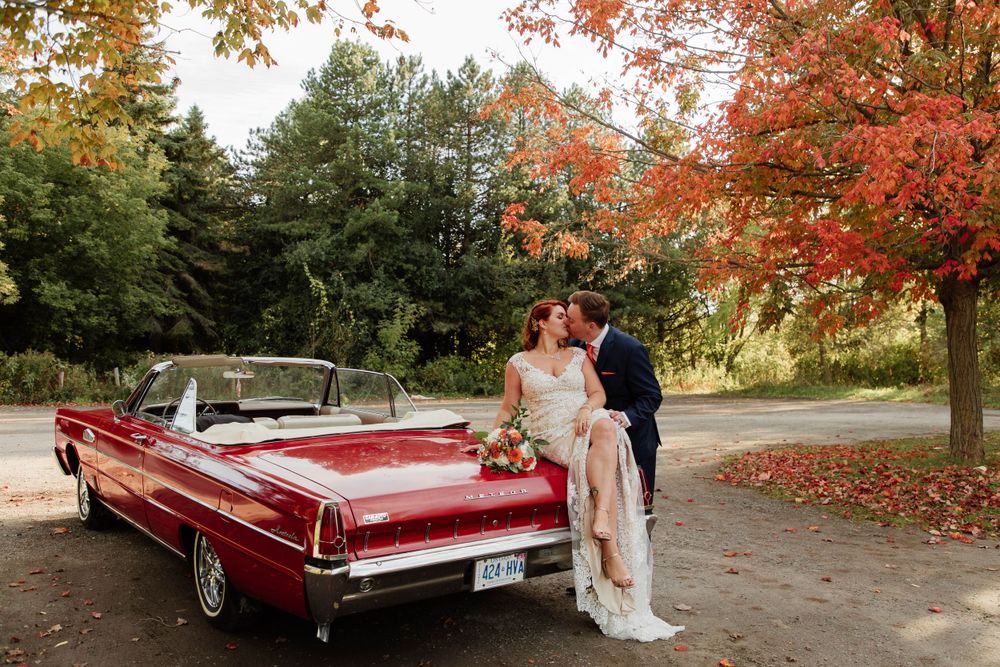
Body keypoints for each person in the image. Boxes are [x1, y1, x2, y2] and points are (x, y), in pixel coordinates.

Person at [492, 299, 683, 641]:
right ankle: (610, 553)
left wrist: (586, 409)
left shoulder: (578, 354)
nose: (568, 322)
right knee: (596, 460)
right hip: (552, 431)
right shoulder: (518, 362)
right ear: (540, 323)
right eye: (561, 317)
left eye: (570, 317)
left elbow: (597, 393)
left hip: (585, 421)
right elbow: (509, 408)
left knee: (607, 427)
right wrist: (497, 440)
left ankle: (603, 523)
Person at [566, 291, 663, 500]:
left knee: (635, 504)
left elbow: (652, 395)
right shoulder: (574, 347)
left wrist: (625, 417)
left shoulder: (630, 348)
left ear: (591, 325)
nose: (566, 323)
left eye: (571, 320)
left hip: (635, 439)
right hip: (595, 440)